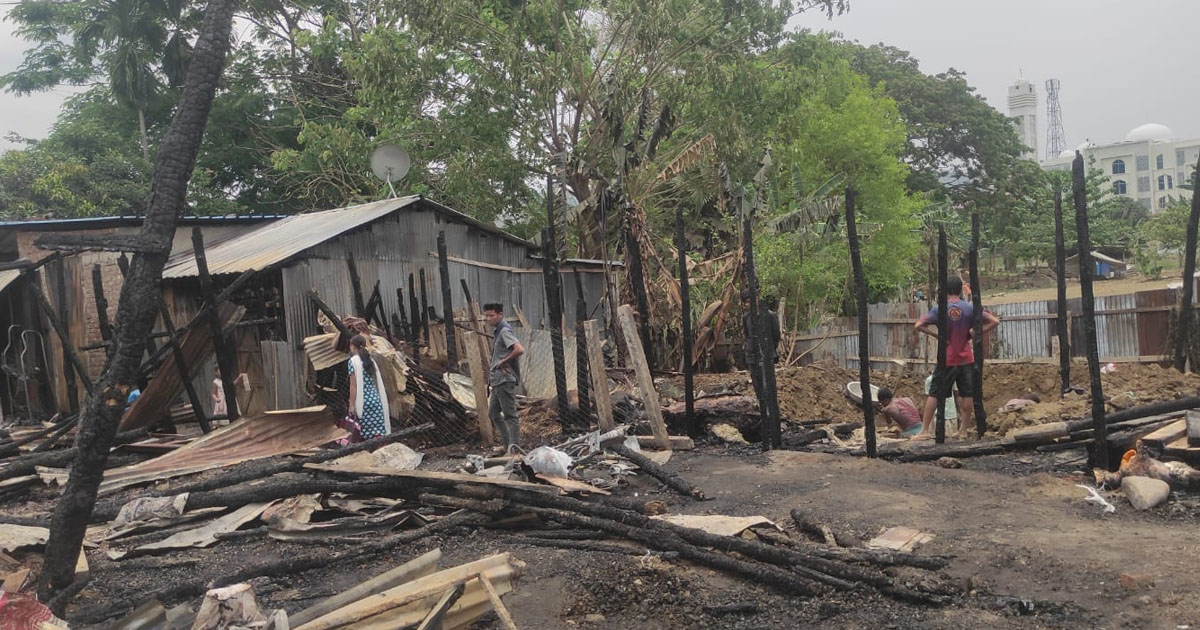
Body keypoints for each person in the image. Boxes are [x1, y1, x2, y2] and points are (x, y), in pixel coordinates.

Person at [912, 276, 1000, 440]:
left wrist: (937, 335)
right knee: (967, 394)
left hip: (947, 358)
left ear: (945, 291)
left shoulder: (939, 309)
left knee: (935, 393)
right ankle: (963, 431)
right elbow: (994, 321)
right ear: (960, 290)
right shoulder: (970, 308)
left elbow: (918, 325)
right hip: (966, 358)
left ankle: (924, 431)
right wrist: (975, 333)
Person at [484, 303, 524, 454]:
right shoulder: (498, 331)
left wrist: (504, 361)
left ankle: (514, 449)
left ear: (500, 314)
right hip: (497, 380)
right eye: (486, 316)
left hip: (504, 380)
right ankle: (507, 445)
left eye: (491, 315)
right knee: (493, 413)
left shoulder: (504, 331)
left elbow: (519, 349)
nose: (488, 319)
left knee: (510, 415)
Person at [347, 334, 391, 441]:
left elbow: (353, 386)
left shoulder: (352, 361)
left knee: (365, 434)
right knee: (377, 432)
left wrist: (351, 404)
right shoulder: (370, 360)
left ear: (353, 346)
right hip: (375, 399)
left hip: (364, 402)